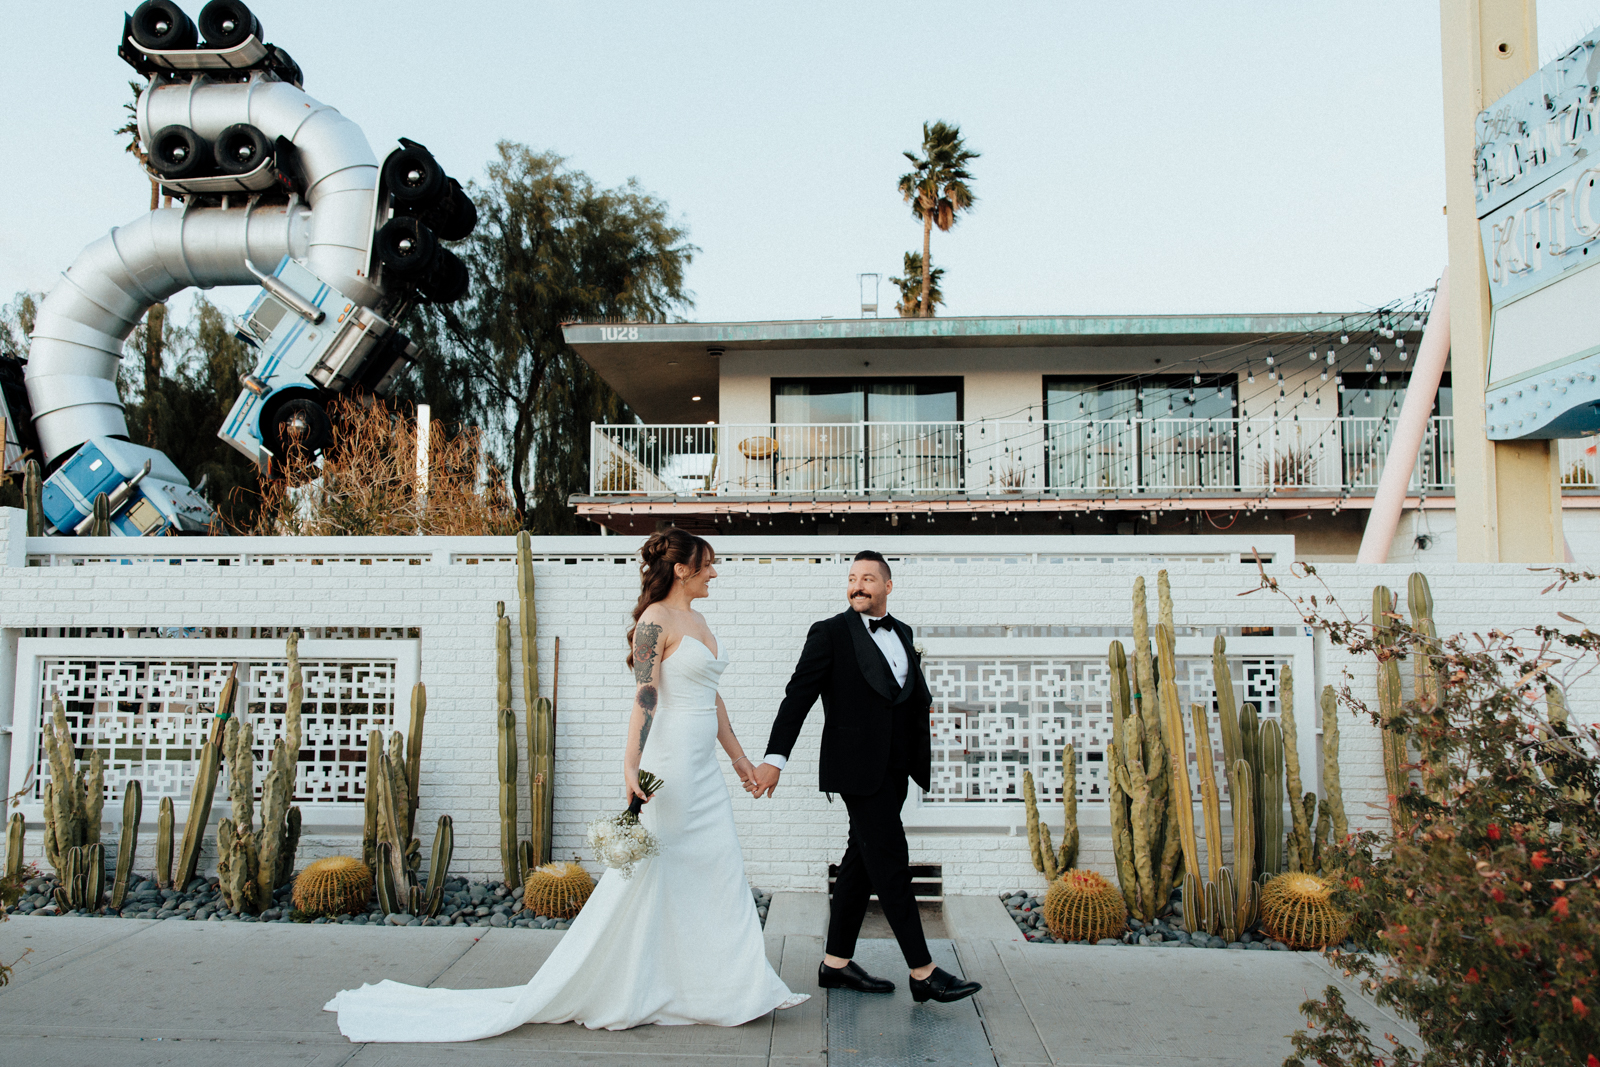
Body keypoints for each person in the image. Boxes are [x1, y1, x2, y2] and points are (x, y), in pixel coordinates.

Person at [324, 529, 807, 1041]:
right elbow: (645, 697)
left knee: (717, 868)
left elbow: (714, 700)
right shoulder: (653, 622)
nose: (715, 572)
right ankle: (635, 981)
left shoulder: (703, 621)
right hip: (670, 764)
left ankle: (726, 987)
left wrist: (740, 762)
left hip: (705, 767)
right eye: (708, 564)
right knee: (654, 872)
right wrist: (630, 765)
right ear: (683, 569)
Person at [749, 549, 982, 1005]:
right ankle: (923, 971)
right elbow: (797, 697)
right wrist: (775, 758)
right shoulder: (830, 633)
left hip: (895, 770)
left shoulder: (904, 633)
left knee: (860, 861)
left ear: (888, 586)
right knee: (892, 861)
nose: (858, 585)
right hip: (855, 769)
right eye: (853, 578)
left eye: (868, 578)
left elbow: (907, 699)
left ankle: (835, 964)